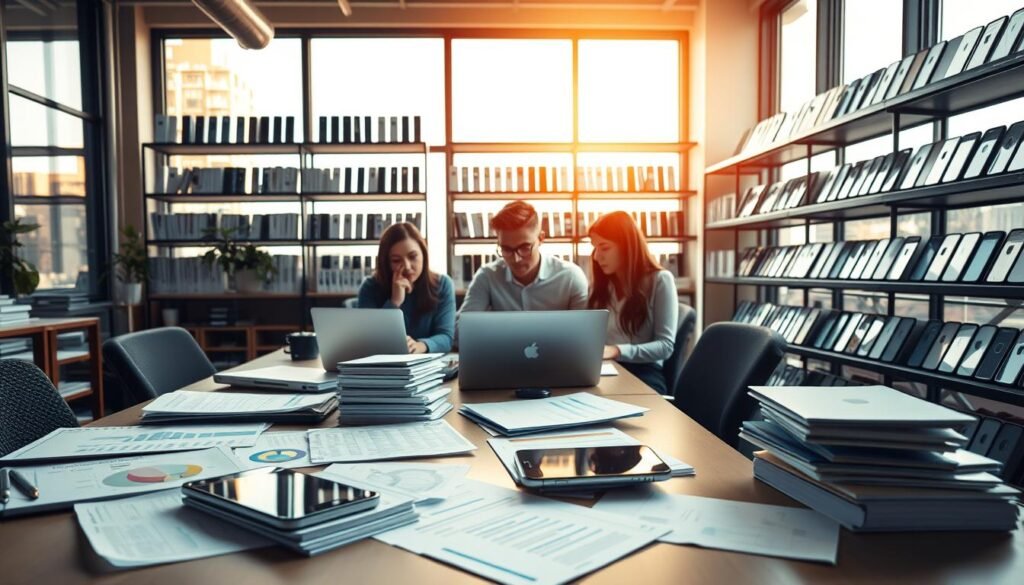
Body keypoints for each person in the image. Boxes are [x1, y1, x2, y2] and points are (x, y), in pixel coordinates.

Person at [588, 211, 678, 394]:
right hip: (606, 370)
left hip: (644, 373)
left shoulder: (660, 280)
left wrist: (617, 351)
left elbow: (665, 346)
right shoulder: (603, 286)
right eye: (595, 248)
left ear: (627, 247)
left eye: (604, 248)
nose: (597, 257)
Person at [459, 200, 589, 314]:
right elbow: (461, 329)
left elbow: (585, 331)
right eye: (506, 249)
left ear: (541, 238)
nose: (516, 259)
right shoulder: (488, 276)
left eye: (524, 248)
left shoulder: (570, 277)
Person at [358, 222, 455, 353]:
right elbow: (368, 339)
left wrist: (421, 345)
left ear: (424, 255)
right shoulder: (370, 287)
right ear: (386, 262)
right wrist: (394, 302)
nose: (407, 266)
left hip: (426, 364)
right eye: (396, 260)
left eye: (413, 257)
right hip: (384, 364)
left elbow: (446, 337)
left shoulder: (442, 284)